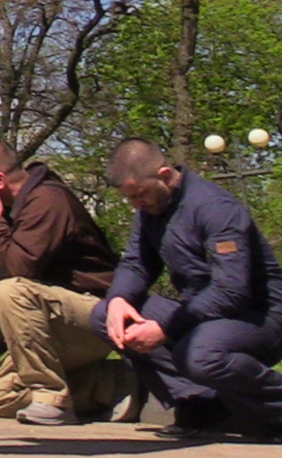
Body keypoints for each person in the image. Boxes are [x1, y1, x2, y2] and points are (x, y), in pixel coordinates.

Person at [94, 138, 282, 440]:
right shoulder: (152, 208)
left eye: (140, 194)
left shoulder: (215, 208)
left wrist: (166, 328)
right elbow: (137, 264)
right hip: (204, 313)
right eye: (130, 198)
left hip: (260, 316)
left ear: (165, 175)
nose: (136, 204)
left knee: (199, 354)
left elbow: (231, 291)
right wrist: (118, 299)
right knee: (107, 316)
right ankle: (202, 405)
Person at [0, 138, 130, 425]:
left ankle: (50, 396)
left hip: (99, 316)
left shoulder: (47, 201)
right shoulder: (17, 206)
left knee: (11, 292)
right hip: (57, 320)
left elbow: (19, 272)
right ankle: (106, 387)